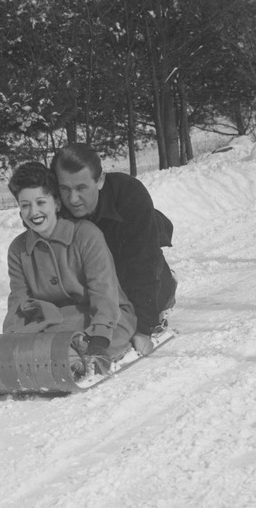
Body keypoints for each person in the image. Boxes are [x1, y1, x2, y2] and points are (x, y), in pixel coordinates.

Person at [2, 162, 137, 370]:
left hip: (105, 318)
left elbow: (104, 291)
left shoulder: (85, 235)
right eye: (25, 205)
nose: (34, 212)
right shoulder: (18, 249)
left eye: (40, 202)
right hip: (52, 323)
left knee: (75, 350)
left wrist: (100, 338)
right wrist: (10, 341)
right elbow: (18, 301)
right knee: (40, 350)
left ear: (56, 203)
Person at [51, 143, 176, 356]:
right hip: (93, 282)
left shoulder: (129, 195)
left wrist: (143, 328)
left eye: (81, 188)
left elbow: (144, 263)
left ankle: (167, 286)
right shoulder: (55, 203)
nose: (72, 199)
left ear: (99, 180)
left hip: (129, 272)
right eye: (65, 189)